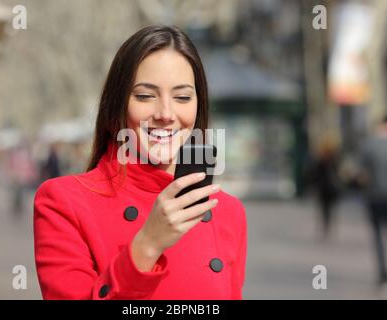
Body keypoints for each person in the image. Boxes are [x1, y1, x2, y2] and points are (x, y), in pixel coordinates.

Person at [33, 25, 247, 300]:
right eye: (145, 95)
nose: (166, 114)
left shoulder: (227, 212)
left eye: (182, 97)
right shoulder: (63, 202)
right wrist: (148, 244)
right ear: (116, 107)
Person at [359, 111, 387, 288]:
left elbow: (361, 174)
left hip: (375, 197)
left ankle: (383, 274)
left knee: (379, 238)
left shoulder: (369, 144)